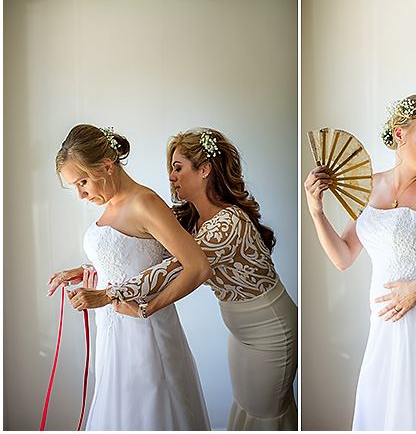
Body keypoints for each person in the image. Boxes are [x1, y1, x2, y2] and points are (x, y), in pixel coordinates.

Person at [70, 128, 298, 430]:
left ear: (204, 170)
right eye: (170, 169)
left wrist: (113, 296)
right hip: (239, 328)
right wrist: (93, 269)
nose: (171, 177)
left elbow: (173, 268)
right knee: (246, 406)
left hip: (269, 326)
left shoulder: (229, 223)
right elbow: (148, 256)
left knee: (265, 412)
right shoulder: (192, 221)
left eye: (178, 168)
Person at [304, 94, 416, 430]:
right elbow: (344, 257)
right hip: (384, 322)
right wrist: (316, 212)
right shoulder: (368, 186)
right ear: (399, 133)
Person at [48, 124, 211, 430]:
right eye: (75, 187)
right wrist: (84, 270)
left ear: (107, 166)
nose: (81, 194)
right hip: (112, 333)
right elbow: (135, 258)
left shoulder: (145, 203)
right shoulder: (111, 203)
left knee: (149, 412)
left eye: (82, 182)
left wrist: (147, 308)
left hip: (144, 333)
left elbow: (197, 267)